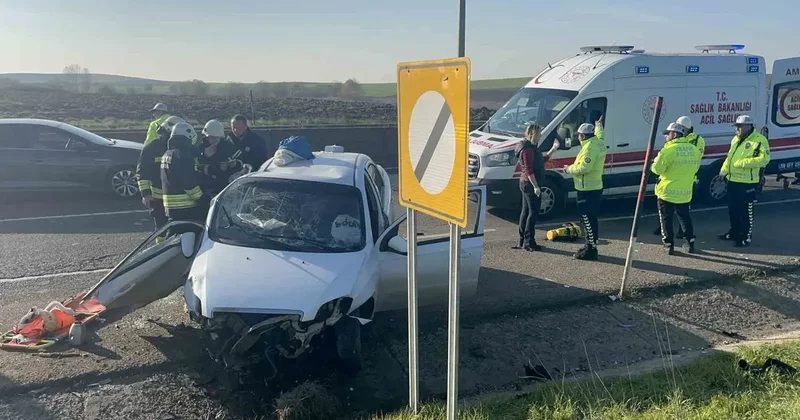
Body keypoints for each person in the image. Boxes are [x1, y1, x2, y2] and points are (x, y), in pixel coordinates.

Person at [718, 115, 770, 247]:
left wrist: (743, 163)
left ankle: (745, 236)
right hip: (733, 180)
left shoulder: (759, 140)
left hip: (747, 182)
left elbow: (764, 159)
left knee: (745, 210)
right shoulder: (735, 139)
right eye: (736, 126)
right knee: (733, 209)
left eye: (740, 126)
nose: (737, 129)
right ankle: (734, 232)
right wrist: (723, 171)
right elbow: (729, 157)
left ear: (749, 126)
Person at [651, 122, 702, 255]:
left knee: (666, 219)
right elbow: (696, 168)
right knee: (685, 218)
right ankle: (689, 243)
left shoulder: (668, 150)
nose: (665, 137)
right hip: (685, 191)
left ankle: (669, 245)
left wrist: (653, 164)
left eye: (667, 134)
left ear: (673, 134)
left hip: (666, 191)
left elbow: (657, 169)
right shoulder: (694, 149)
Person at [136, 116, 186, 242]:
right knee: (161, 226)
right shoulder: (152, 148)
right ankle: (160, 249)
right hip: (158, 196)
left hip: (178, 197)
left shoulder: (181, 148)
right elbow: (142, 172)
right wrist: (146, 194)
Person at [563, 120, 606, 260]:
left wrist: (569, 169)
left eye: (579, 135)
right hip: (593, 187)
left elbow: (585, 168)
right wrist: (599, 125)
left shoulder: (590, 148)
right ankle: (590, 245)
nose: (578, 137)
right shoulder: (597, 142)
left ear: (583, 136)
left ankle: (591, 249)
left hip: (587, 189)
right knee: (589, 218)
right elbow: (600, 135)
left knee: (587, 219)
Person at [161, 122, 211, 234]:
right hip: (186, 207)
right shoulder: (182, 155)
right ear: (187, 137)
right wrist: (203, 199)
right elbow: (188, 181)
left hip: (170, 206)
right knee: (191, 237)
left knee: (175, 236)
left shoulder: (168, 153)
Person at [513, 123, 545, 252]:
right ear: (534, 134)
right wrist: (536, 187)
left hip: (525, 183)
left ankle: (522, 241)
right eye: (539, 134)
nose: (541, 135)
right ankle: (529, 241)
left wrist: (552, 150)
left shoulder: (528, 147)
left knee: (525, 212)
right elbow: (529, 170)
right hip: (530, 183)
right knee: (533, 213)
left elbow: (538, 162)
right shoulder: (527, 150)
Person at [198, 119, 242, 197]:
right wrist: (204, 156)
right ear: (206, 137)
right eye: (211, 138)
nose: (214, 140)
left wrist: (235, 164)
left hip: (227, 187)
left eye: (217, 138)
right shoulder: (201, 148)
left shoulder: (228, 146)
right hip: (208, 189)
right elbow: (196, 168)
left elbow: (241, 163)